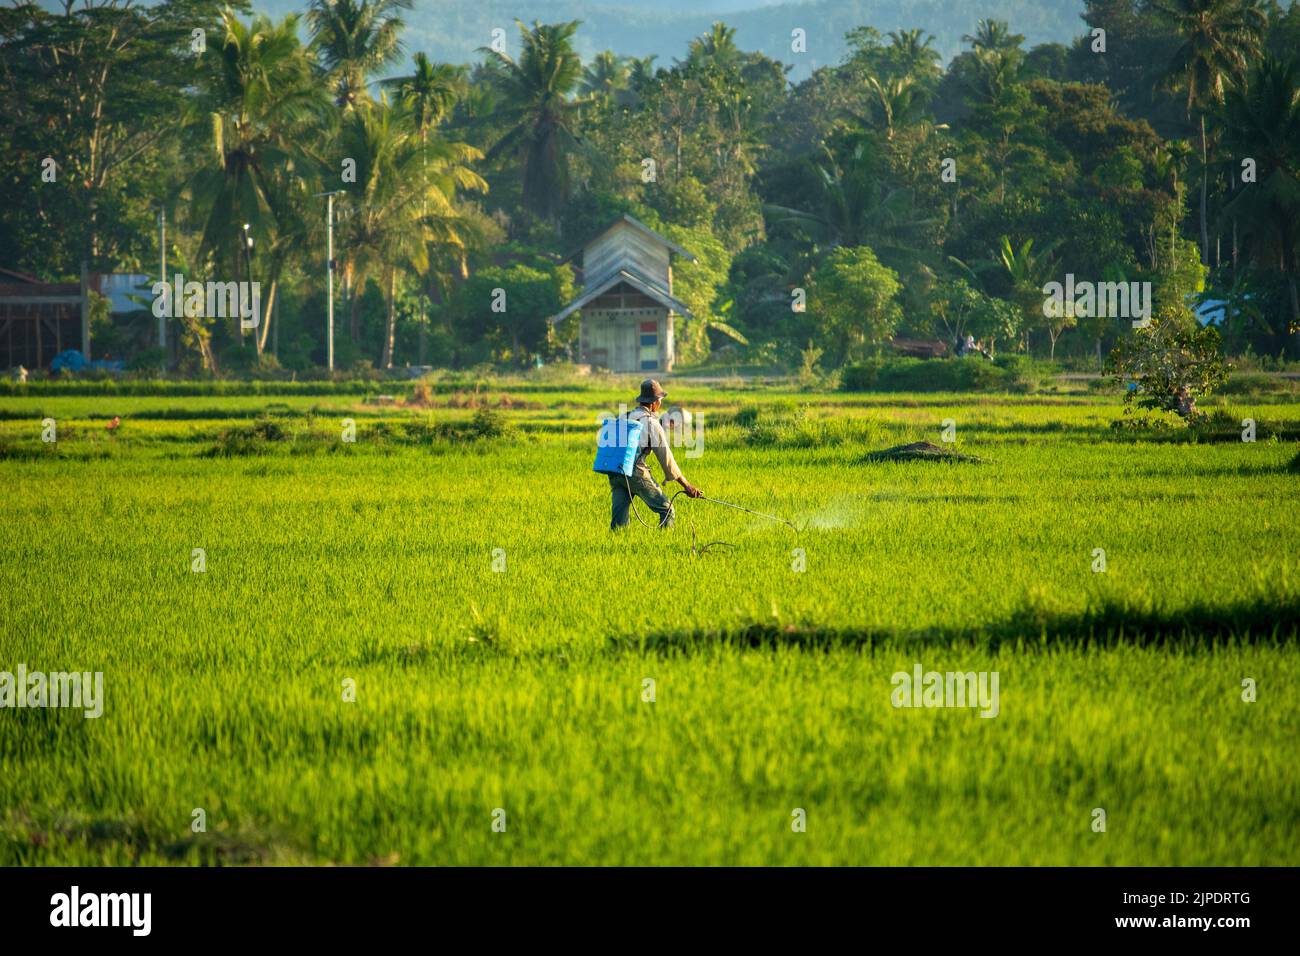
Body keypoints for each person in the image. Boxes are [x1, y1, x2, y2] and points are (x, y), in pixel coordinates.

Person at [609, 379, 703, 530]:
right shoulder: (652, 424)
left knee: (619, 522)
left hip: (616, 472)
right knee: (667, 510)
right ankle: (665, 544)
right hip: (635, 472)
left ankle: (614, 546)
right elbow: (667, 460)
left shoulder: (624, 417)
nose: (660, 403)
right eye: (660, 400)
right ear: (654, 402)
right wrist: (687, 486)